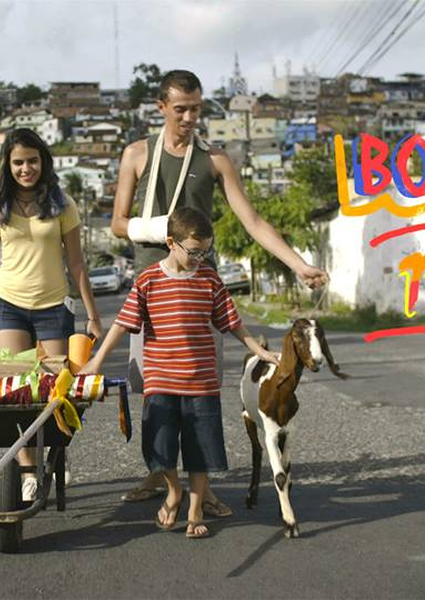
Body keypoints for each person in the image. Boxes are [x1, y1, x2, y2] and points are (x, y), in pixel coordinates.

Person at [110, 69, 329, 509]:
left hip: (200, 290)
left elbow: (253, 221)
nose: (190, 117)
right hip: (153, 288)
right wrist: (162, 230)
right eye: (181, 109)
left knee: (201, 391)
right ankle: (159, 474)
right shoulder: (137, 154)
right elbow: (117, 224)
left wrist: (299, 264)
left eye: (196, 108)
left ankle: (202, 487)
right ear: (161, 107)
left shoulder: (215, 159)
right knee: (154, 390)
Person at [82, 207, 279, 538]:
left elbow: (232, 322)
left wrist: (260, 352)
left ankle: (195, 509)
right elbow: (123, 324)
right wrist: (96, 361)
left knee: (201, 449)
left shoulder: (209, 279)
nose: (200, 259)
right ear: (171, 242)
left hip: (201, 383)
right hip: (161, 381)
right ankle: (174, 490)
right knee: (159, 445)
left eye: (206, 252)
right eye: (194, 252)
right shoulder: (148, 279)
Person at [0, 127, 103, 502]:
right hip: (7, 305)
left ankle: (56, 449)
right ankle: (27, 470)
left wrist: (93, 315)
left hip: (53, 307)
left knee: (54, 391)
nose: (26, 169)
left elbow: (77, 264)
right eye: (18, 163)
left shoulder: (62, 204)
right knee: (18, 390)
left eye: (32, 161)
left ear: (43, 162)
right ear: (7, 166)